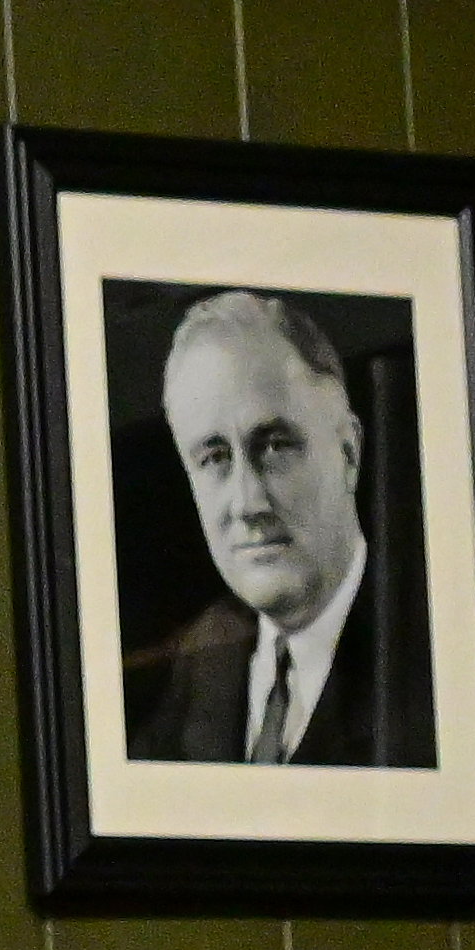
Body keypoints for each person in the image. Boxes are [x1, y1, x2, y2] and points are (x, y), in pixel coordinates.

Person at [128, 287, 416, 767]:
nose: (248, 503)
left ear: (349, 453)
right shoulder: (202, 667)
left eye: (276, 446)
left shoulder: (424, 652)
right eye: (215, 457)